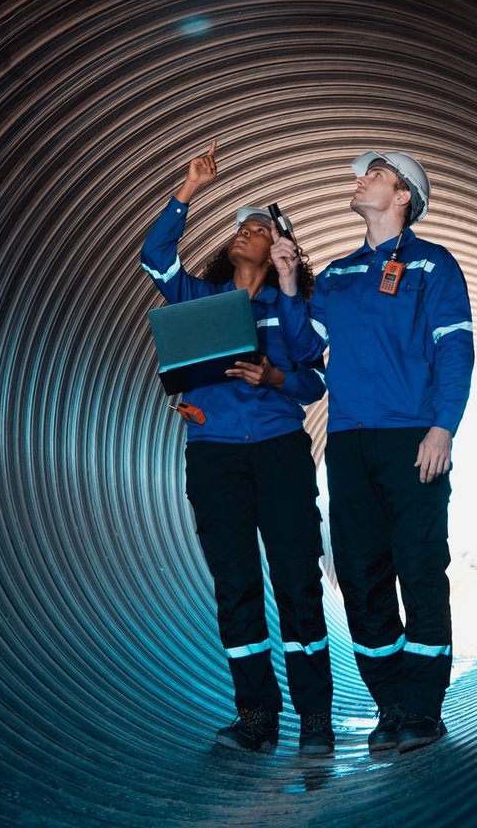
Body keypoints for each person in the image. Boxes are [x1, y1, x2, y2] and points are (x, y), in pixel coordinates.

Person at [271, 150, 474, 754]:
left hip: (413, 439)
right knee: (360, 577)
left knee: (419, 570)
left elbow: (455, 352)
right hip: (350, 442)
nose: (362, 181)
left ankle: (423, 710)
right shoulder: (335, 276)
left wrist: (442, 429)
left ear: (404, 195)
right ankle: (389, 705)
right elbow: (306, 348)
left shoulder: (433, 266)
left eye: (376, 175)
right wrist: (288, 285)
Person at [138, 140, 334, 755]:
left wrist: (273, 375)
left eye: (258, 227)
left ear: (279, 249)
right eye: (241, 226)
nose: (244, 229)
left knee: (299, 583)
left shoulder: (290, 306)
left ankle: (315, 720)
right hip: (215, 455)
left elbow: (311, 373)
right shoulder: (200, 301)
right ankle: (257, 719)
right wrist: (188, 188)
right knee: (236, 587)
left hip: (278, 450)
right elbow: (153, 257)